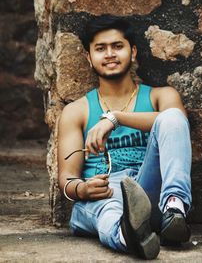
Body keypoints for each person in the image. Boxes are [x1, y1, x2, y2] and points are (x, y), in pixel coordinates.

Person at [57, 15, 192, 260]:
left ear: (133, 52)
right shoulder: (76, 111)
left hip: (149, 191)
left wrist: (116, 118)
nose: (109, 54)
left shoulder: (160, 96)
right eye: (100, 48)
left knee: (171, 117)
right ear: (89, 57)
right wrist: (84, 189)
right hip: (105, 193)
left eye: (117, 46)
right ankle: (128, 236)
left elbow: (178, 122)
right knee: (108, 211)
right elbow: (66, 178)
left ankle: (174, 210)